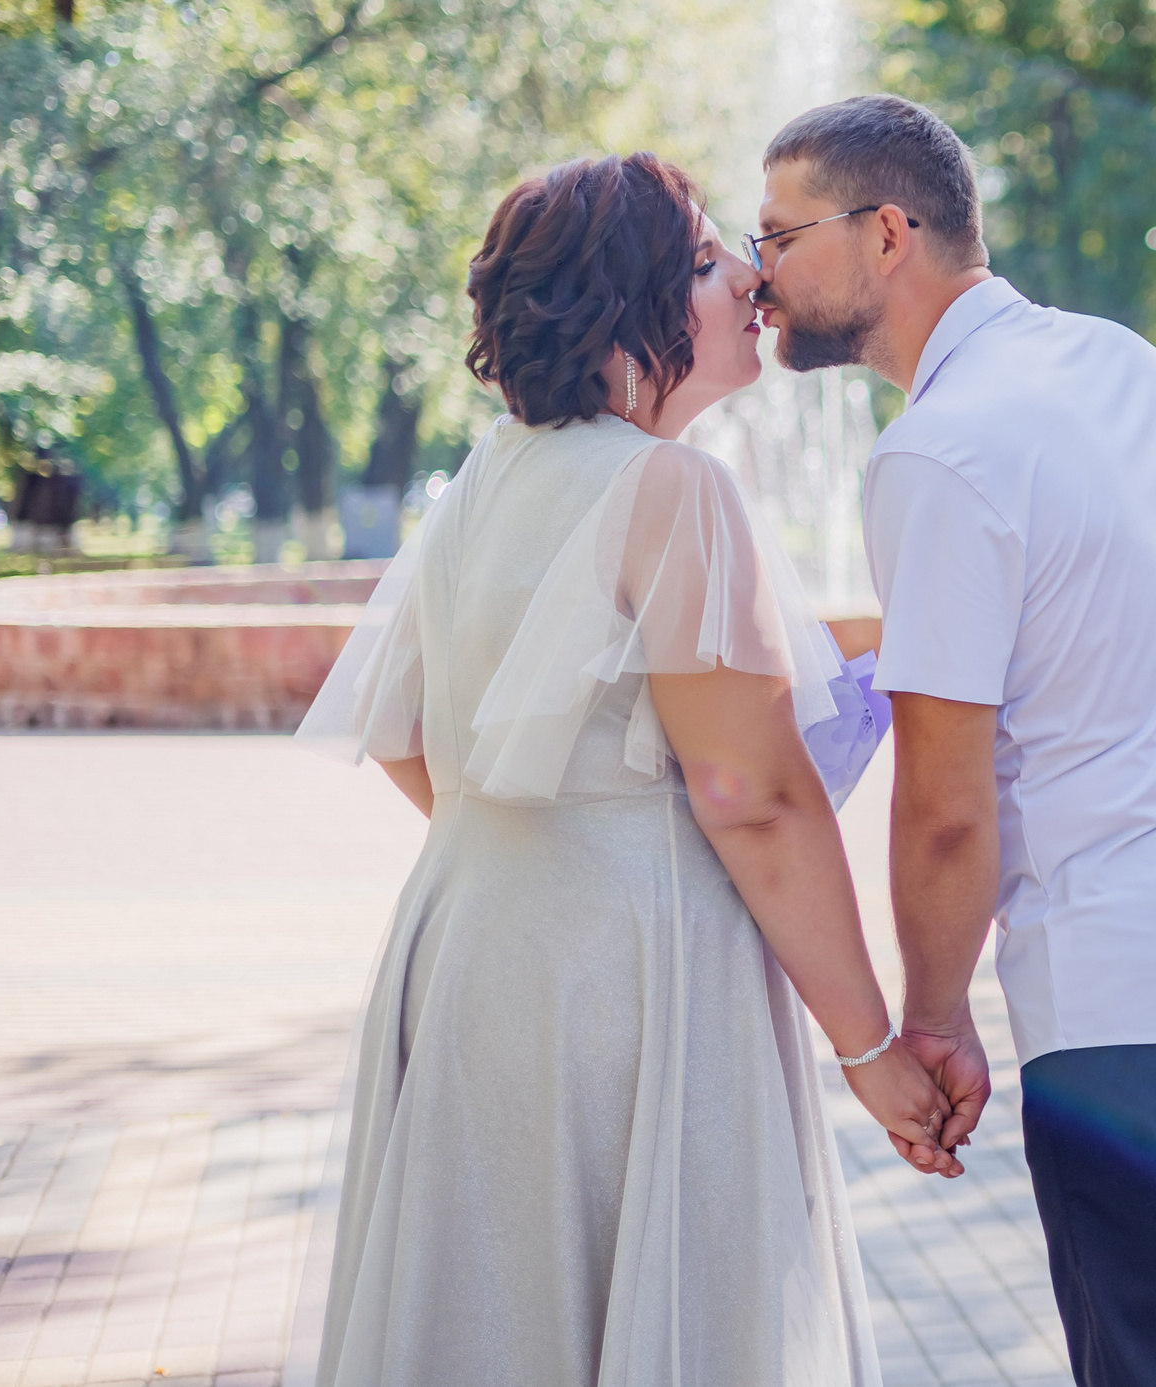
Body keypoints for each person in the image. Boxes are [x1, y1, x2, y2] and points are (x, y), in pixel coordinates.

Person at [290, 152, 952, 1387]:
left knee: (490, 1309)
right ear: (623, 305)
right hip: (633, 976)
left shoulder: (489, 473)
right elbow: (749, 800)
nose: (753, 278)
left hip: (472, 943)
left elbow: (395, 731)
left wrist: (546, 844)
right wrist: (871, 1053)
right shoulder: (674, 491)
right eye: (709, 261)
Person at [752, 94, 1156, 1387]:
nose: (757, 272)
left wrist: (931, 1019)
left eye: (777, 234)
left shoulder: (938, 451)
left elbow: (944, 801)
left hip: (1138, 1002)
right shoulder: (1135, 366)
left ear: (885, 233)